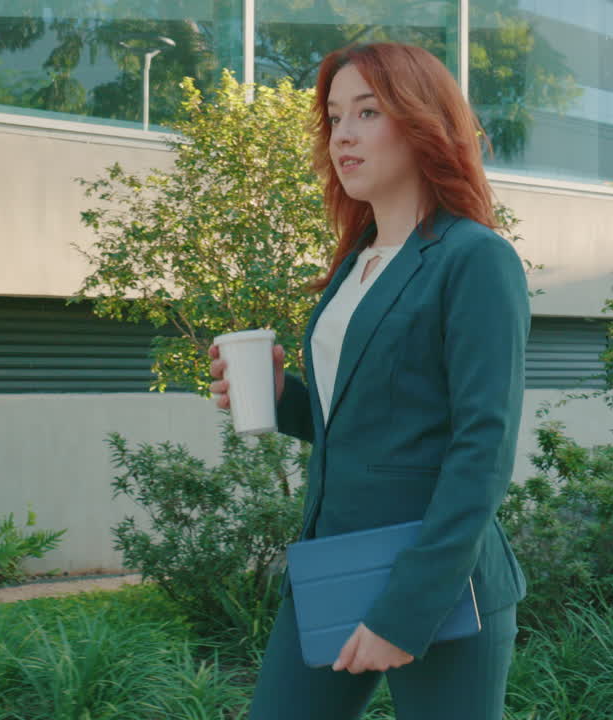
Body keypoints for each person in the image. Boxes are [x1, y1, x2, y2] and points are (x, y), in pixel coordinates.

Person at [208, 41, 529, 720]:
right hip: (333, 568)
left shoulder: (475, 259)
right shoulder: (357, 261)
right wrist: (282, 395)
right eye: (333, 118)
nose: (343, 135)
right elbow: (362, 419)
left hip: (437, 585)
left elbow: (482, 448)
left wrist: (404, 611)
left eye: (367, 112)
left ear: (420, 122)